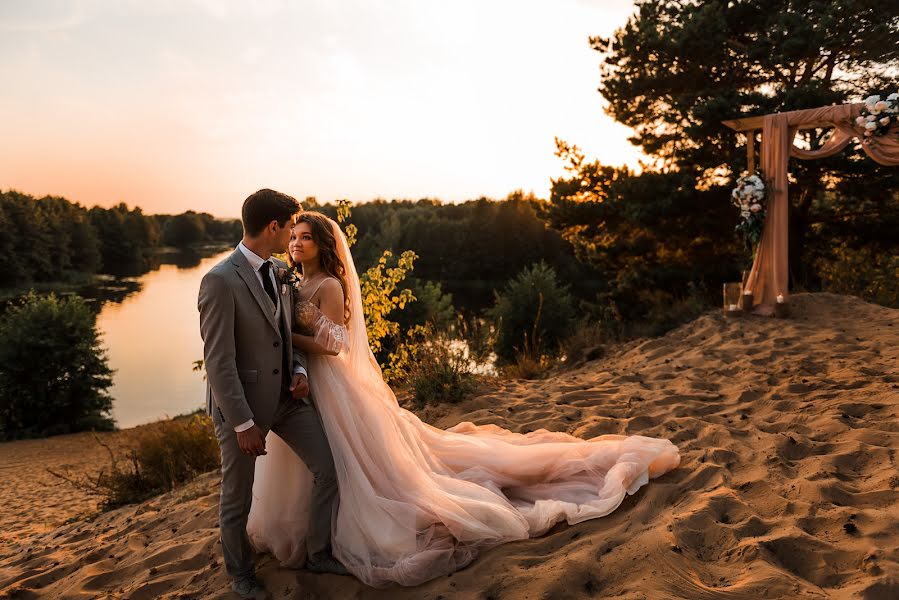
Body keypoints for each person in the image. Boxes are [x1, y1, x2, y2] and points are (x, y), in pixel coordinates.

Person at [248, 212, 681, 588]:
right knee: (312, 461)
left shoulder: (327, 284)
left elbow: (335, 345)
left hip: (333, 385)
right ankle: (306, 528)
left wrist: (284, 336)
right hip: (304, 385)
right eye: (293, 236)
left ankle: (335, 535)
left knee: (350, 460)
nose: (296, 243)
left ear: (323, 244)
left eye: (305, 236)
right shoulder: (292, 280)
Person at [198, 191, 346, 600]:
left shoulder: (280, 271)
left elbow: (284, 335)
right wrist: (243, 424)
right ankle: (241, 575)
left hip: (287, 399)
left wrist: (298, 370)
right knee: (236, 497)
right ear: (274, 227)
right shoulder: (219, 280)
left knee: (329, 469)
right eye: (290, 228)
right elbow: (218, 363)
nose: (293, 241)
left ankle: (318, 552)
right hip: (242, 409)